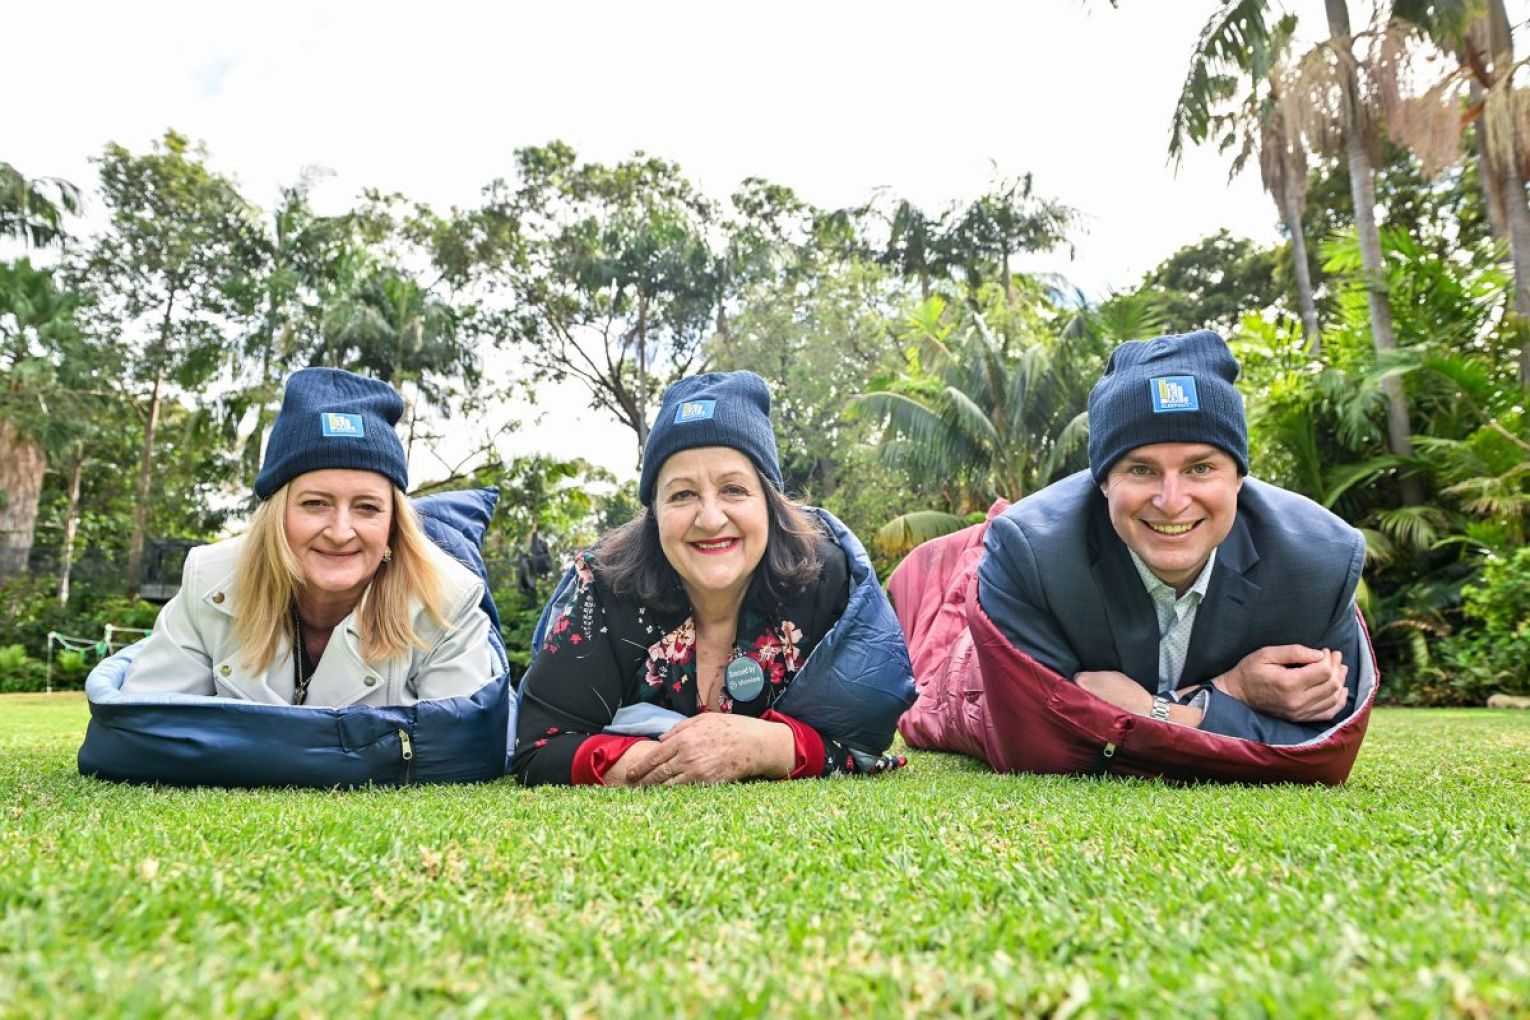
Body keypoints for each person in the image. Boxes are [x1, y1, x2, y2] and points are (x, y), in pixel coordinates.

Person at [512, 371, 910, 786]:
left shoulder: (827, 581)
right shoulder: (605, 587)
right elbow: (539, 747)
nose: (710, 518)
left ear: (769, 501)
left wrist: (763, 747)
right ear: (655, 512)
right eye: (682, 494)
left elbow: (864, 743)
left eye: (734, 489)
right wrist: (676, 761)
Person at [976, 329, 1366, 744]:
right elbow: (1035, 734)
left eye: (1201, 468)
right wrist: (1230, 697)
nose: (1172, 501)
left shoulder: (1320, 560)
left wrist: (1164, 709)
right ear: (1103, 481)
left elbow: (1327, 740)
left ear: (1239, 477)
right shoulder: (1029, 551)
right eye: (1141, 470)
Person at [123, 367, 497, 708]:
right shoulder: (210, 581)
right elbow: (144, 722)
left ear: (393, 525)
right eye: (316, 503)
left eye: (367, 507)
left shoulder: (448, 603)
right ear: (276, 515)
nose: (340, 532)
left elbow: (458, 743)